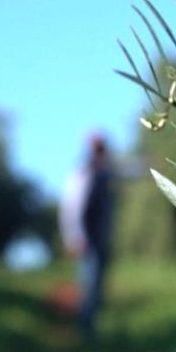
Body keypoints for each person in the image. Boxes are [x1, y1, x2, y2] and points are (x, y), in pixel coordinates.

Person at [59, 133, 116, 340]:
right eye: (98, 149)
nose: (101, 152)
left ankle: (89, 328)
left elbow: (128, 171)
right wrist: (74, 236)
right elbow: (71, 208)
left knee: (97, 284)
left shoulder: (104, 172)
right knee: (89, 283)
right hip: (87, 239)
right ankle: (85, 330)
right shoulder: (82, 174)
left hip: (100, 238)